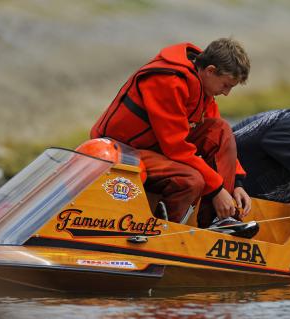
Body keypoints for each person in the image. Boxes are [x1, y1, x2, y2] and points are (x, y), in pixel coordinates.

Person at [91, 38, 252, 229]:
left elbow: (217, 136)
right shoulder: (168, 81)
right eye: (226, 85)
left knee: (221, 129)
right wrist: (216, 190)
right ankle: (164, 234)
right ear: (210, 71)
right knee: (191, 180)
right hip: (120, 151)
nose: (226, 93)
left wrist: (236, 184)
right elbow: (176, 148)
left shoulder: (203, 85)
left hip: (153, 148)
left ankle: (220, 221)